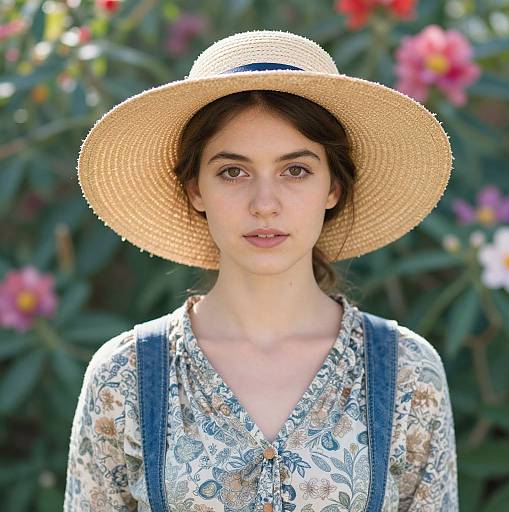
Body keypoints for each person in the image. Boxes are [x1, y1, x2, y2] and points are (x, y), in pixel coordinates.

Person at [64, 30, 458, 511]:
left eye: (296, 170)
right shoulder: (123, 378)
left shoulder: (408, 375)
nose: (264, 204)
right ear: (195, 189)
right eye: (233, 171)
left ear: (333, 187)